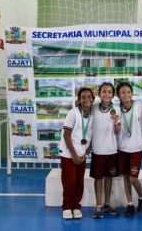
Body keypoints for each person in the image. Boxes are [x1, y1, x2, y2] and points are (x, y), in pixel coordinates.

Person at [59, 87, 94, 219]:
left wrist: (86, 154)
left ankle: (76, 206)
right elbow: (67, 135)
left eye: (89, 97)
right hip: (69, 155)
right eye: (83, 97)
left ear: (93, 99)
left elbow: (92, 138)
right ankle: (67, 206)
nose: (86, 99)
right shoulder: (73, 113)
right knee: (69, 182)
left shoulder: (93, 115)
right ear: (79, 100)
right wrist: (74, 155)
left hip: (82, 155)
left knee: (79, 182)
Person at [90, 82, 121, 218]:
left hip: (112, 150)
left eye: (109, 92)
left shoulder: (117, 109)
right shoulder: (93, 108)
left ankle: (107, 204)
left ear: (113, 95)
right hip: (97, 150)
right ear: (99, 93)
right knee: (98, 179)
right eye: (104, 91)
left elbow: (117, 130)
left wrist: (116, 121)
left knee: (109, 178)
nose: (107, 94)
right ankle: (98, 205)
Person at [116, 82, 142, 217]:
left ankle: (141, 197)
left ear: (132, 93)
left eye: (128, 91)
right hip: (122, 148)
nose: (126, 94)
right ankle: (130, 204)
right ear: (118, 95)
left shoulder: (139, 106)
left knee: (133, 178)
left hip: (136, 148)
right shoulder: (116, 109)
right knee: (126, 177)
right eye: (123, 92)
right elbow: (115, 128)